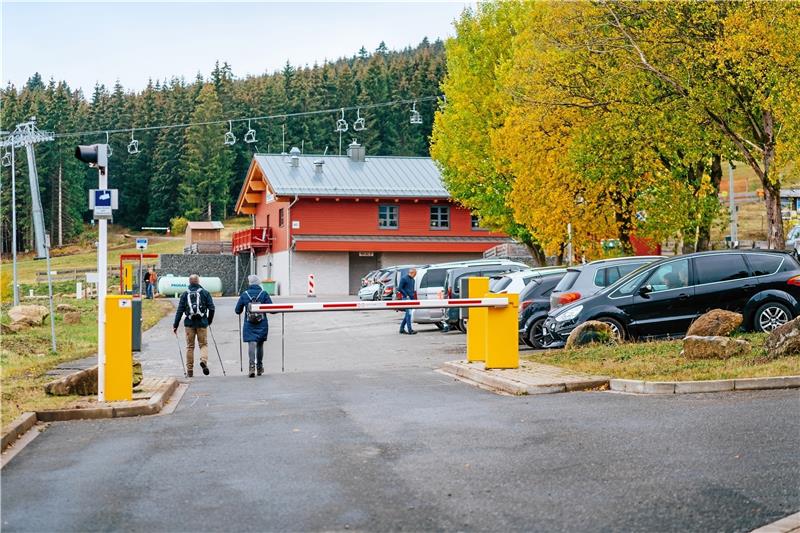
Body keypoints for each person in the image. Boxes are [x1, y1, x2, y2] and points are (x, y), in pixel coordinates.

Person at [172, 274, 215, 377]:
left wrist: (175, 325)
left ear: (189, 282)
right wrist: (209, 321)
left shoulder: (185, 294)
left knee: (190, 346)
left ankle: (190, 370)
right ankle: (203, 361)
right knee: (203, 345)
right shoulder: (205, 293)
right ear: (198, 281)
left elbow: (179, 311)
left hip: (189, 324)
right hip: (202, 323)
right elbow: (212, 308)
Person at [235, 275, 273, 378]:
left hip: (249, 324)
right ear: (258, 283)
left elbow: (237, 310)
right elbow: (272, 309)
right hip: (262, 323)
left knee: (251, 343)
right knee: (260, 344)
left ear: (250, 283)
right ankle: (259, 367)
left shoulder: (245, 294)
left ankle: (251, 367)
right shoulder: (264, 294)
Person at [397, 268, 417, 335]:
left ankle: (402, 329)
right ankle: (410, 330)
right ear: (412, 273)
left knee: (407, 315)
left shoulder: (413, 280)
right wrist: (406, 295)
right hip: (406, 298)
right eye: (415, 274)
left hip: (411, 298)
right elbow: (400, 288)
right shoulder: (404, 278)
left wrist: (413, 298)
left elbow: (412, 290)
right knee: (409, 314)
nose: (415, 275)